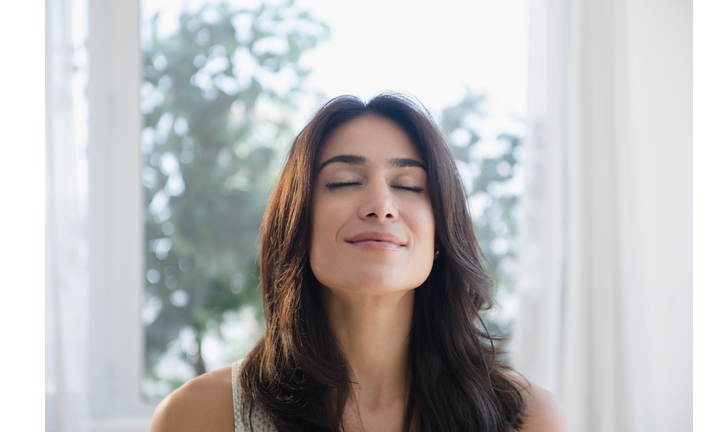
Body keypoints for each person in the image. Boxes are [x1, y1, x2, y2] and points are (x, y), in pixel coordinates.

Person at [151, 93, 567, 432]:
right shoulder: (200, 417)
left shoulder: (528, 419)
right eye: (344, 182)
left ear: (441, 233)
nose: (381, 206)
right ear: (298, 224)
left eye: (409, 185)